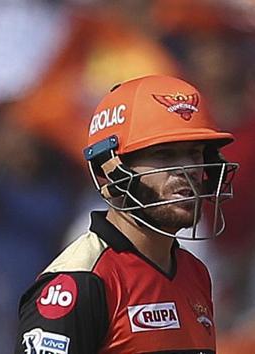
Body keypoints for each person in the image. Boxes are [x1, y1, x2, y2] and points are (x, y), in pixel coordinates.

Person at [15, 75, 238, 354]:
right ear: (110, 171)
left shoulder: (195, 273)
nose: (188, 171)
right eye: (165, 155)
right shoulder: (81, 283)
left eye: (194, 154)